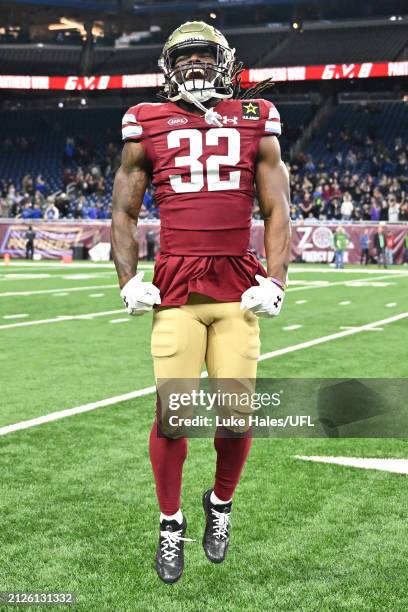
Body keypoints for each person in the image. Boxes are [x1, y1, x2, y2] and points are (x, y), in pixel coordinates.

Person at [111, 21, 291, 584]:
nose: (193, 63)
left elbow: (277, 207)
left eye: (203, 54)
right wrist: (126, 280)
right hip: (177, 290)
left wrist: (277, 280)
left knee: (236, 418)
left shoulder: (255, 119)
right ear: (168, 66)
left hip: (238, 289)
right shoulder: (146, 122)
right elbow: (124, 210)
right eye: (183, 55)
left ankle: (220, 504)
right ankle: (171, 521)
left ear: (224, 60)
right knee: (173, 417)